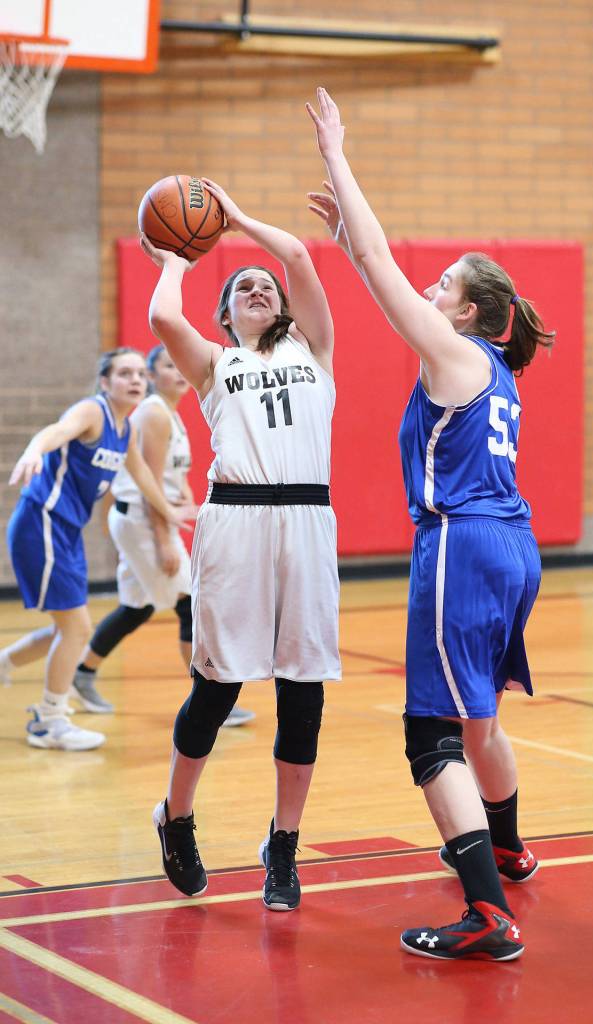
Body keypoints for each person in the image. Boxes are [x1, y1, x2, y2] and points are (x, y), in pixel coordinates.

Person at [307, 88, 554, 961]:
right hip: (513, 546)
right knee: (479, 718)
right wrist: (348, 241)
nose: (430, 285)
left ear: (466, 313)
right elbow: (371, 257)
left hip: (462, 545)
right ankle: (512, 848)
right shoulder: (492, 368)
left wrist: (338, 153)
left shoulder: (450, 352)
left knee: (431, 735)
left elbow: (375, 256)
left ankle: (486, 914)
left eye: (443, 283)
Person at [140, 179, 340, 908]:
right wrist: (178, 254)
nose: (257, 285)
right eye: (241, 287)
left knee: (302, 694)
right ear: (224, 317)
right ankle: (177, 816)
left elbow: (293, 252)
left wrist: (232, 217)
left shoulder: (316, 351)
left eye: (264, 287)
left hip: (307, 525)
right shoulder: (214, 365)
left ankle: (282, 847)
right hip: (236, 522)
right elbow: (164, 313)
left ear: (282, 309)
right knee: (218, 687)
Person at [2, 348, 192, 752]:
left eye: (141, 373)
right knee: (77, 629)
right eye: (125, 373)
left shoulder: (127, 430)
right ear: (105, 382)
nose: (136, 380)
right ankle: (49, 721)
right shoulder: (93, 411)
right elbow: (56, 430)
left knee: (65, 629)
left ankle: (4, 665)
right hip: (43, 522)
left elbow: (142, 476)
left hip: (65, 532)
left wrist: (169, 514)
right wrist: (35, 450)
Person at [70, 344, 254, 729]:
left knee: (136, 608)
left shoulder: (169, 414)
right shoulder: (153, 414)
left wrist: (187, 499)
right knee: (191, 603)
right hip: (143, 521)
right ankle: (208, 701)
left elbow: (171, 476)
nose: (177, 372)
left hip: (145, 520)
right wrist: (164, 538)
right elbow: (148, 482)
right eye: (166, 367)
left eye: (178, 365)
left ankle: (83, 673)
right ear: (152, 376)